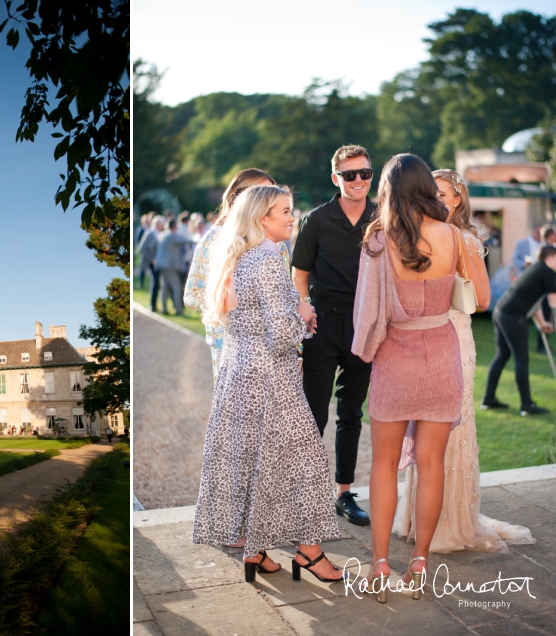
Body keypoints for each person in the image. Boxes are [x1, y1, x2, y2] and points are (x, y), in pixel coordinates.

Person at [193, 184, 343, 584]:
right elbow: (281, 333)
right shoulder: (269, 259)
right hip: (269, 374)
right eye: (285, 211)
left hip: (236, 371)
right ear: (263, 219)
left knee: (251, 458)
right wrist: (305, 313)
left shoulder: (235, 256)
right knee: (306, 458)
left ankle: (254, 549)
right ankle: (310, 552)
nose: (292, 217)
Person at [393, 169, 535, 553]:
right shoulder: (417, 235)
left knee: (453, 427)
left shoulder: (466, 240)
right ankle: (416, 519)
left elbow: (484, 299)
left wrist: (448, 282)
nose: (437, 200)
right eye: (431, 193)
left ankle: (450, 522)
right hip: (421, 334)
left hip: (454, 334)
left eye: (443, 194)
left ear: (457, 199)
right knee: (422, 427)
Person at [352, 153, 466, 601]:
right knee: (432, 463)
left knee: (383, 463)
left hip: (395, 359)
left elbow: (366, 311)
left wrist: (363, 352)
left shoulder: (377, 240)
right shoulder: (452, 235)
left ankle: (379, 563)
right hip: (441, 356)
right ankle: (419, 560)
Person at [291, 145, 376, 527]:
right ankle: (304, 494)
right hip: (322, 325)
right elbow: (300, 274)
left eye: (365, 173)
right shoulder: (317, 219)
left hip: (365, 325)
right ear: (335, 178)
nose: (358, 180)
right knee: (313, 413)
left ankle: (344, 493)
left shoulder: (383, 218)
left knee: (351, 413)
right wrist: (304, 309)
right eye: (350, 174)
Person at [184, 168, 276, 379]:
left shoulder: (276, 242)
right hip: (229, 346)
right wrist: (236, 308)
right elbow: (192, 294)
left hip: (270, 347)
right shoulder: (215, 238)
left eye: (273, 194)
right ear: (239, 197)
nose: (270, 201)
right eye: (262, 194)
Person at [482, 243, 556, 416]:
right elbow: (553, 303)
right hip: (513, 317)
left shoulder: (537, 270)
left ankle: (488, 399)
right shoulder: (548, 272)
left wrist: (542, 323)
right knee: (521, 359)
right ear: (550, 258)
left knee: (502, 355)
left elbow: (534, 302)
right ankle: (526, 405)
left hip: (501, 312)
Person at [155, 220, 194, 316]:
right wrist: (195, 241)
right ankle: (179, 310)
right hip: (170, 266)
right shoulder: (172, 236)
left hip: (161, 265)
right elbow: (185, 240)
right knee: (176, 287)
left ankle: (164, 308)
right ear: (174, 227)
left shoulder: (161, 235)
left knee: (164, 287)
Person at [139, 216, 165, 312]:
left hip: (158, 261)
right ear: (158, 224)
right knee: (155, 283)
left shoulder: (160, 233)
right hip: (152, 262)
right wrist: (152, 259)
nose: (163, 226)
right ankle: (152, 305)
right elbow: (142, 247)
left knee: (157, 283)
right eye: (162, 224)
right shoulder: (150, 233)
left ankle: (155, 305)